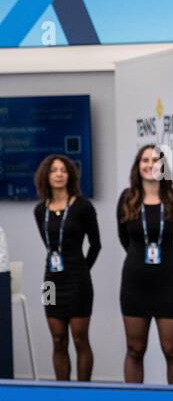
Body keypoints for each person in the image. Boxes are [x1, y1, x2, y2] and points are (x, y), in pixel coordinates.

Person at [117, 144, 173, 384]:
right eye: (144, 161)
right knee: (134, 350)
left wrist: (168, 261)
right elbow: (124, 238)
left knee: (171, 350)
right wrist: (140, 261)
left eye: (155, 160)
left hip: (169, 285)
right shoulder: (127, 199)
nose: (150, 165)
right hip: (134, 285)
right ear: (137, 167)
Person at [32, 155, 100, 381]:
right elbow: (49, 244)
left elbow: (96, 244)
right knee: (58, 339)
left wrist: (82, 269)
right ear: (46, 176)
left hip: (77, 281)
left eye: (63, 170)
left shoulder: (83, 207)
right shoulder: (40, 210)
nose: (59, 174)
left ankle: (84, 392)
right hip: (51, 283)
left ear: (70, 175)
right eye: (54, 170)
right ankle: (61, 391)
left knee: (80, 339)